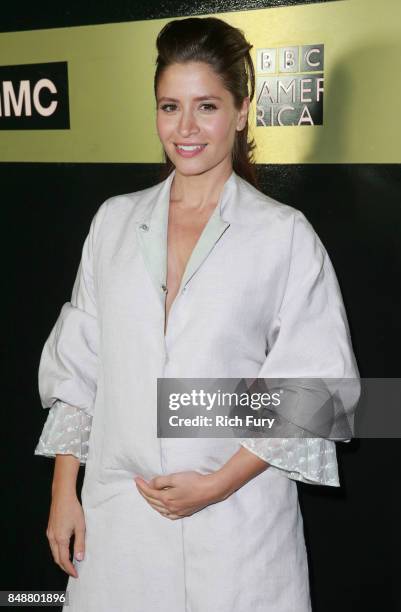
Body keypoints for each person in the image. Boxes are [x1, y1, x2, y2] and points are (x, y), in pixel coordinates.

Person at [34, 16, 360, 612]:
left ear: (240, 112)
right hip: (119, 526)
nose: (185, 128)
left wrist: (216, 484)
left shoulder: (283, 236)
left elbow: (320, 390)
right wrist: (64, 493)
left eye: (206, 106)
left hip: (239, 528)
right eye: (169, 106)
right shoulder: (112, 222)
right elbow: (80, 368)